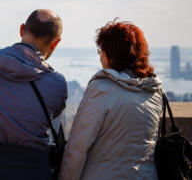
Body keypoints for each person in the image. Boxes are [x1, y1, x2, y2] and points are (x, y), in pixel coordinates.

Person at [0, 9, 68, 180]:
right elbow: (53, 115)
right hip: (31, 171)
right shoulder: (56, 83)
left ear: (22, 29)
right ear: (55, 43)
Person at [59, 20, 163, 180]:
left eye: (102, 51)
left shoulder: (101, 89)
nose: (100, 56)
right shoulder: (154, 92)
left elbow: (77, 149)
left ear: (111, 55)